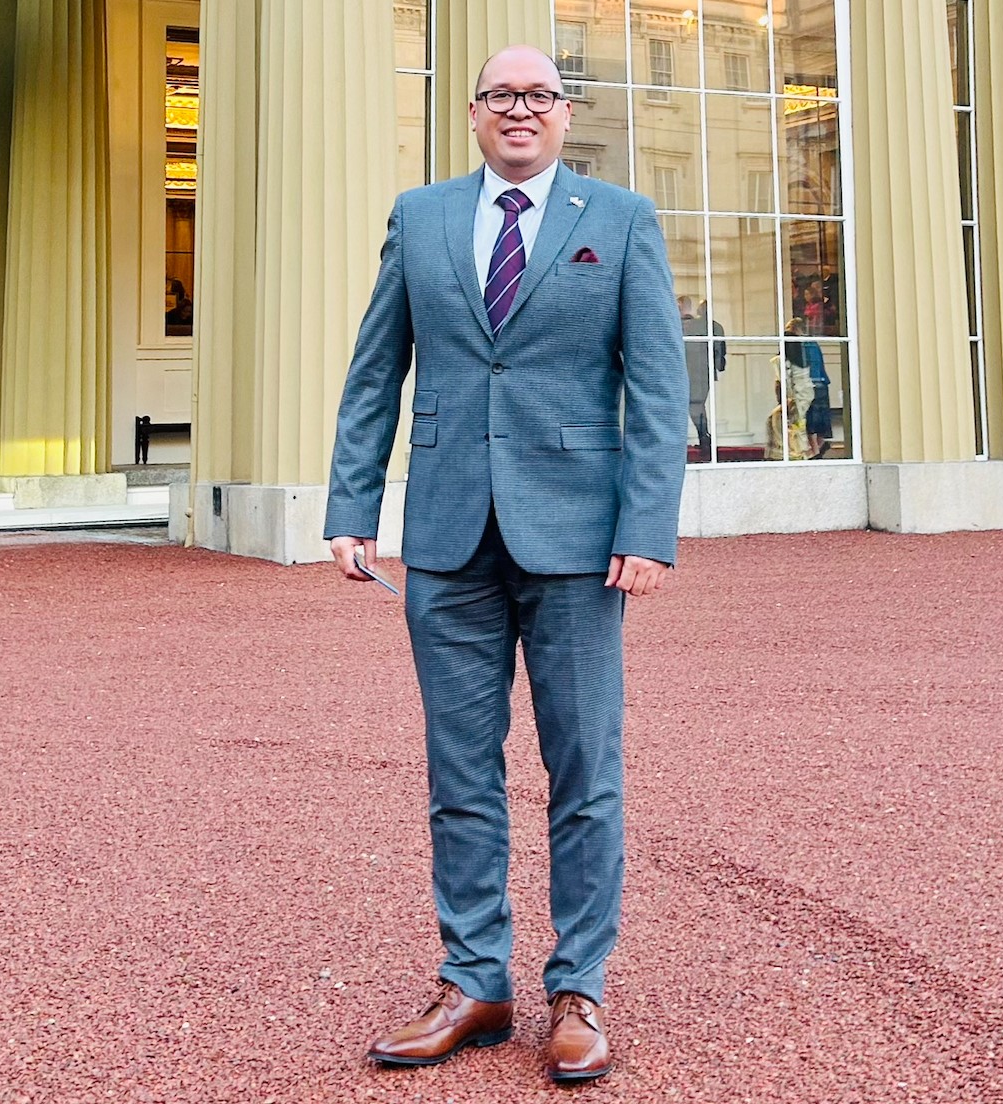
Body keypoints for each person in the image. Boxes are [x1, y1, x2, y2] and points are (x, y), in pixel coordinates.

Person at [323, 45, 688, 1083]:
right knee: (458, 773)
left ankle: (578, 989)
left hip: (578, 544)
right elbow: (374, 372)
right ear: (474, 115)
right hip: (445, 540)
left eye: (538, 96)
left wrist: (644, 528)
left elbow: (657, 391)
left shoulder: (618, 222)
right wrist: (352, 506)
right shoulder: (422, 216)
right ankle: (475, 980)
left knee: (581, 772)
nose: (518, 110)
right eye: (499, 96)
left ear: (564, 115)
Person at [678, 295, 726, 461]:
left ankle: (704, 438)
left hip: (694, 371)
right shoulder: (715, 326)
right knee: (697, 405)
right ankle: (704, 438)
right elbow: (720, 354)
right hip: (702, 371)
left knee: (695, 405)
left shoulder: (692, 325)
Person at [785, 318, 832, 459]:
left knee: (809, 419)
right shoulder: (813, 343)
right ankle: (819, 446)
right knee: (821, 419)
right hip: (821, 382)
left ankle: (815, 451)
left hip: (808, 384)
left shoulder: (799, 345)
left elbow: (801, 367)